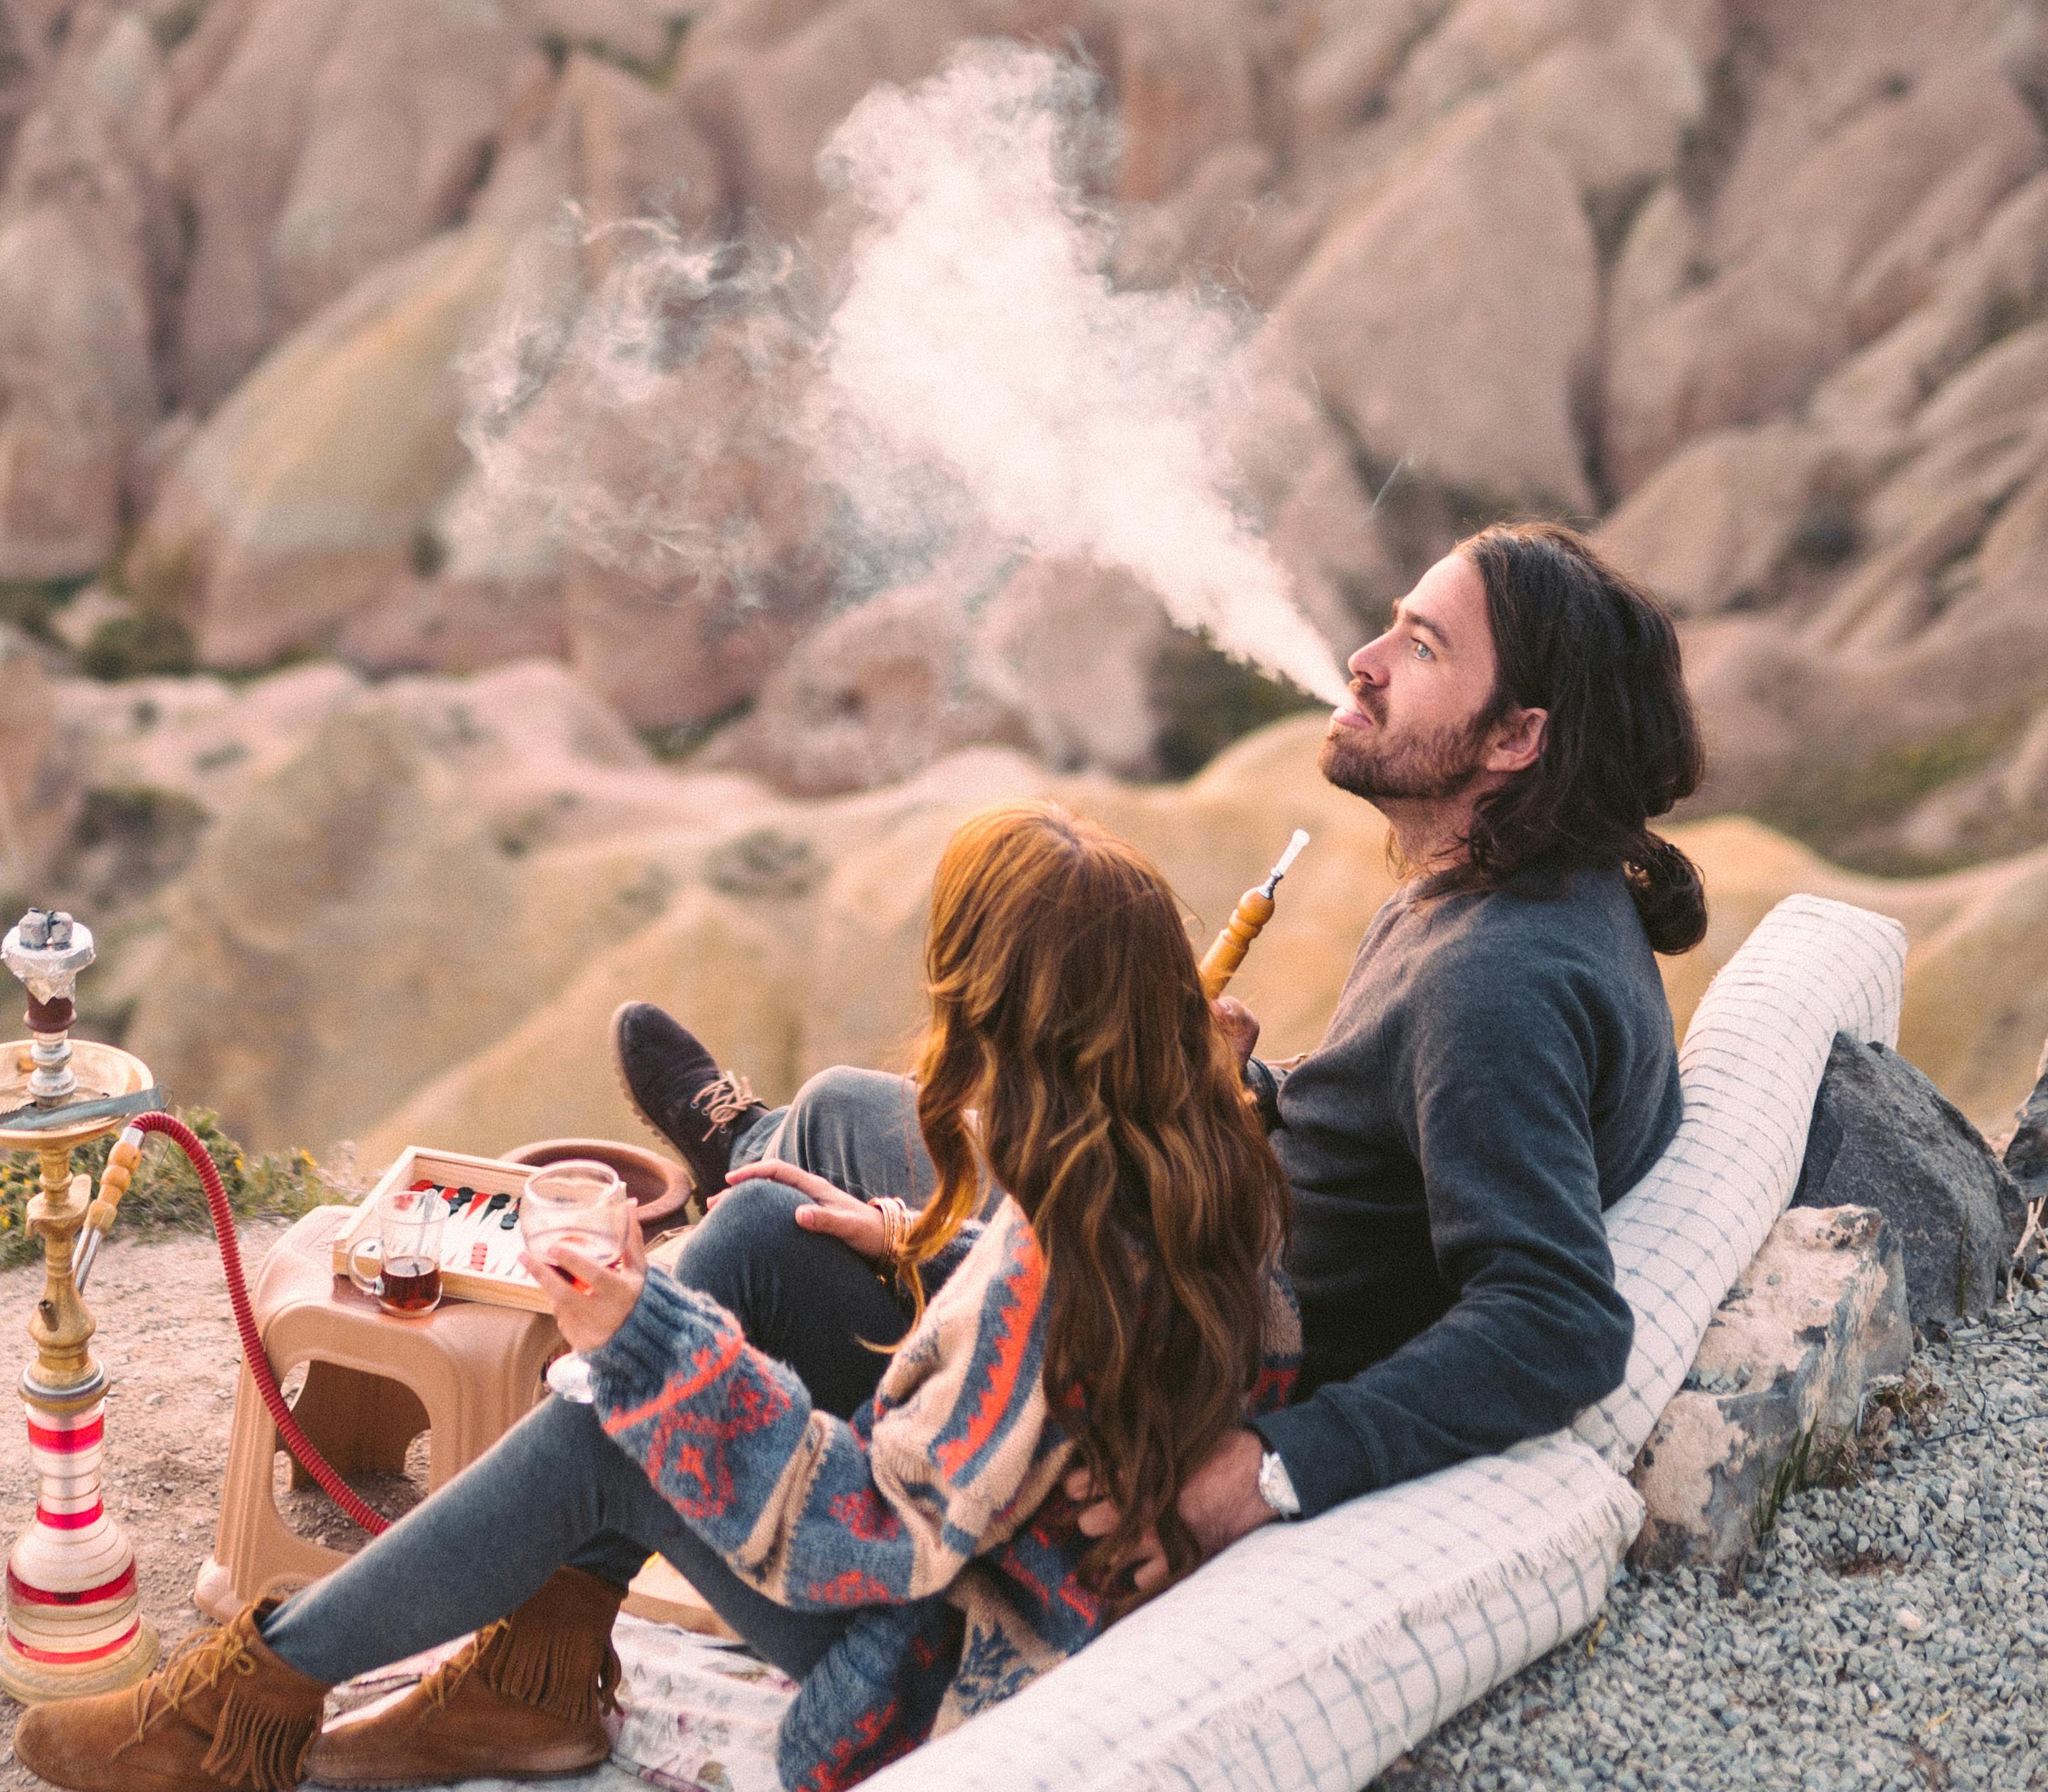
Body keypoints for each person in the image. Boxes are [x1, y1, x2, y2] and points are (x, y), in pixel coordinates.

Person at [11, 804, 1297, 1792]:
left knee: (604, 1432)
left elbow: (862, 1539)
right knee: (756, 1225)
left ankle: (253, 1698)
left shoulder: (1048, 1266)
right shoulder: (1205, 1156)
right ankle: (538, 1672)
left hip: (945, 1672)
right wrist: (917, 1245)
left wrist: (640, 1337)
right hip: (1021, 1562)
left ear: (984, 1006)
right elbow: (1063, 1373)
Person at [629, 518, 1701, 1593]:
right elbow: (1394, 1151)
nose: (1363, 665)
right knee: (851, 1114)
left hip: (1188, 1317)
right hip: (1212, 1232)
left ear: (1517, 740)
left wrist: (1265, 1469)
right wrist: (1246, 1091)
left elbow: (1556, 1321)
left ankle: (740, 1189)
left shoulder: (1496, 977)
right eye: (1390, 630)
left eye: (1423, 650)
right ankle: (755, 1152)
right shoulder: (1534, 897)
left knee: (816, 1151)